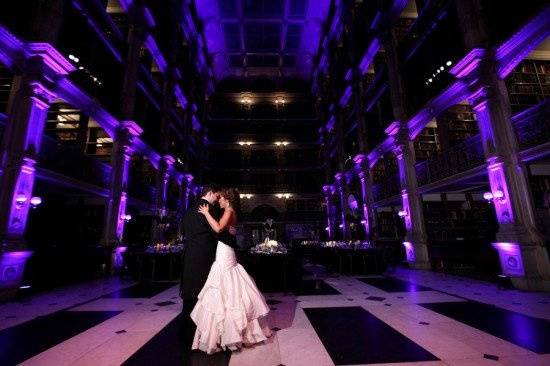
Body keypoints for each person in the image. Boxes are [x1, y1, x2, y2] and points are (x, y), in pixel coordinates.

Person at [190, 188, 271, 354]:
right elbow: (226, 229)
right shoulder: (229, 210)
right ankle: (226, 332)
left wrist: (206, 213)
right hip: (225, 249)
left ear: (227, 199)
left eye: (221, 198)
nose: (218, 200)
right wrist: (228, 229)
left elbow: (219, 228)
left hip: (225, 251)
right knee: (226, 284)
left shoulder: (229, 210)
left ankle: (228, 333)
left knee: (225, 282)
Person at [180, 185, 223, 345]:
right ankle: (203, 326)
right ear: (210, 193)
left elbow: (184, 230)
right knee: (204, 289)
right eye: (216, 196)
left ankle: (188, 327)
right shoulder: (208, 208)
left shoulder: (189, 208)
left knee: (191, 288)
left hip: (190, 253)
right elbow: (217, 232)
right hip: (205, 254)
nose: (217, 199)